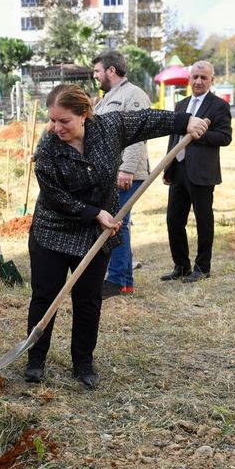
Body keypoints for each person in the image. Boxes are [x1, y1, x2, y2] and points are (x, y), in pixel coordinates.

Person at [25, 84, 208, 388]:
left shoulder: (110, 127)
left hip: (98, 233)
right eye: (53, 120)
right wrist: (95, 213)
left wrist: (184, 122)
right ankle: (35, 359)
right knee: (46, 298)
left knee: (89, 300)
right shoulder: (48, 148)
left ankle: (83, 363)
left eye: (65, 121)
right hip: (54, 230)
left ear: (84, 115)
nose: (57, 127)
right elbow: (55, 196)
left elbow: (146, 121)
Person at [161, 61, 232, 283]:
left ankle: (202, 268)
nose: (199, 81)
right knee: (173, 220)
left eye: (204, 77)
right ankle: (181, 266)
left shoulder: (218, 106)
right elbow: (174, 136)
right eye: (195, 77)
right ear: (189, 79)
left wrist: (200, 133)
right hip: (179, 169)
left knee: (203, 221)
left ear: (211, 80)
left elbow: (225, 137)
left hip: (201, 172)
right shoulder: (181, 105)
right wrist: (168, 166)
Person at [91, 50, 151, 298]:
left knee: (118, 224)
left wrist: (126, 169)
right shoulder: (106, 99)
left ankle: (117, 279)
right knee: (117, 224)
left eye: (97, 71)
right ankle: (123, 281)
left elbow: (138, 134)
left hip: (126, 173)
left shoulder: (133, 95)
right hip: (108, 172)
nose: (95, 76)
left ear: (111, 70)